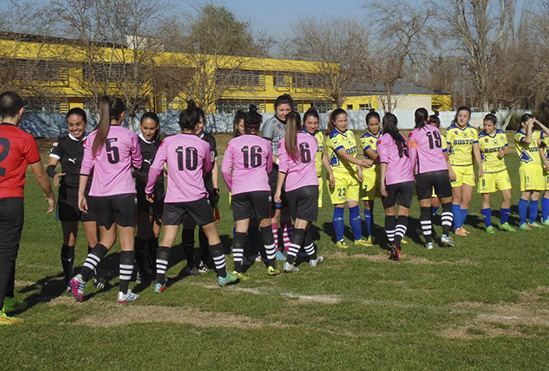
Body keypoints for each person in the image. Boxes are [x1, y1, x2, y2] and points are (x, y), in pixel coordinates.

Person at [146, 102, 237, 292]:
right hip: (196, 196)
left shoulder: (168, 142)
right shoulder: (203, 144)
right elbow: (207, 169)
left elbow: (155, 167)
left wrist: (149, 189)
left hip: (173, 198)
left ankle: (160, 281)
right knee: (212, 234)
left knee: (167, 238)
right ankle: (222, 276)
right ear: (197, 126)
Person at [70, 96, 142, 303]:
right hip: (123, 194)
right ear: (122, 115)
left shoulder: (93, 136)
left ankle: (80, 276)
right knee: (127, 243)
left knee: (107, 240)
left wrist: (81, 194)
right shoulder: (129, 135)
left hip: (98, 195)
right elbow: (137, 162)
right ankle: (124, 292)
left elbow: (86, 167)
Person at [0, 91, 56, 325]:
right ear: (21, 111)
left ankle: (10, 297)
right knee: (6, 254)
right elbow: (40, 173)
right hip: (11, 200)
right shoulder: (24, 138)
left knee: (7, 252)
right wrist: (50, 195)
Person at [221, 104, 280, 279]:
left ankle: (237, 269)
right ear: (258, 126)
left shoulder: (232, 143)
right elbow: (269, 167)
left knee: (241, 229)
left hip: (240, 189)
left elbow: (225, 170)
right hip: (261, 188)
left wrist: (233, 186)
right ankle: (271, 265)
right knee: (265, 224)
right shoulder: (265, 143)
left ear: (244, 126)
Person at [47, 108, 102, 292]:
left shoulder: (94, 141)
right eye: (71, 125)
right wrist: (54, 174)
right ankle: (68, 279)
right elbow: (50, 166)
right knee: (69, 239)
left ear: (85, 123)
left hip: (90, 194)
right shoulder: (61, 143)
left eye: (78, 124)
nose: (75, 128)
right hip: (69, 196)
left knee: (93, 239)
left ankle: (95, 276)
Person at [275, 111, 324, 273]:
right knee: (301, 225)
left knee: (304, 224)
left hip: (291, 188)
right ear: (301, 124)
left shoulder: (284, 142)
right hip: (309, 186)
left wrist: (278, 190)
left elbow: (283, 167)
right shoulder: (312, 139)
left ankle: (313, 258)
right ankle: (289, 262)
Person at [408, 108, 455, 249]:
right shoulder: (436, 131)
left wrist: (411, 173)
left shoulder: (413, 134)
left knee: (425, 208)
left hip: (424, 173)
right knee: (447, 204)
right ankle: (446, 234)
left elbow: (412, 156)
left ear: (415, 119)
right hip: (441, 170)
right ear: (428, 118)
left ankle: (428, 242)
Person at [325, 108, 372, 248]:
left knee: (354, 207)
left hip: (352, 176)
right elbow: (344, 155)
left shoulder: (350, 134)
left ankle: (358, 237)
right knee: (340, 207)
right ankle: (339, 239)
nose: (343, 123)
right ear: (334, 121)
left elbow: (354, 153)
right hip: (339, 176)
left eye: (345, 120)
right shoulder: (333, 137)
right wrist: (361, 163)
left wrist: (359, 170)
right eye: (340, 121)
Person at [181, 104, 217, 276]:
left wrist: (215, 185)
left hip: (206, 186)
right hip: (188, 189)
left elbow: (213, 165)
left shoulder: (209, 140)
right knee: (189, 225)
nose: (198, 126)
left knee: (206, 225)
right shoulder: (180, 140)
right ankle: (190, 262)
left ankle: (205, 259)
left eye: (201, 122)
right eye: (196, 122)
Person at [378, 113, 414, 261]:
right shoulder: (403, 138)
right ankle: (397, 243)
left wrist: (382, 181)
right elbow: (411, 157)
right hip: (407, 179)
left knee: (390, 214)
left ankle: (393, 244)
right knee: (404, 214)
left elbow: (384, 160)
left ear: (382, 125)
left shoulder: (383, 139)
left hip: (392, 179)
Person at [262, 94, 294, 259]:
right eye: (281, 110)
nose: (284, 113)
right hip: (275, 172)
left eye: (288, 109)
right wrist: (280, 161)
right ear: (275, 110)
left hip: (290, 171)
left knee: (288, 209)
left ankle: (288, 245)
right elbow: (266, 150)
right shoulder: (270, 125)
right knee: (276, 210)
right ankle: (274, 248)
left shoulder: (292, 123)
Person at [133, 112, 164, 281]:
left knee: (156, 232)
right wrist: (149, 183)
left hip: (160, 193)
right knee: (144, 230)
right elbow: (134, 170)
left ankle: (152, 266)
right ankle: (141, 269)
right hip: (143, 192)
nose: (148, 131)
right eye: (145, 128)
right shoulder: (136, 144)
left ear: (157, 127)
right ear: (140, 127)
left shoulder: (160, 144)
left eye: (152, 128)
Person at [445, 106, 483, 236]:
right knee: (457, 198)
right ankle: (457, 228)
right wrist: (449, 169)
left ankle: (458, 225)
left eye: (465, 116)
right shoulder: (451, 131)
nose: (462, 118)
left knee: (467, 199)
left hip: (469, 168)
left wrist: (480, 167)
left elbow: (476, 150)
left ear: (469, 118)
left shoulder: (473, 131)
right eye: (460, 115)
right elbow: (445, 152)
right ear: (456, 116)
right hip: (455, 167)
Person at [477, 112, 515, 232]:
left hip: (501, 171)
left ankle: (503, 223)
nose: (486, 128)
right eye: (485, 125)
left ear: (494, 126)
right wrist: (479, 168)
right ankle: (488, 225)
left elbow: (507, 149)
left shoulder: (501, 134)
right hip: (487, 172)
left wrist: (504, 153)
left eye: (489, 125)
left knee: (508, 197)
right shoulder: (480, 138)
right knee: (486, 199)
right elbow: (476, 154)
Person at [514, 114, 549, 229]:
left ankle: (532, 221)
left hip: (538, 167)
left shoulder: (537, 133)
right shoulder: (518, 135)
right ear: (523, 124)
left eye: (533, 123)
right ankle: (522, 222)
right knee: (526, 194)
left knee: (537, 194)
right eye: (529, 123)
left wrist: (538, 123)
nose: (532, 125)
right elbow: (528, 141)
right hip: (527, 167)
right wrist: (529, 127)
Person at [302, 106, 334, 209]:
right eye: (309, 123)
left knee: (314, 210)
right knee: (305, 210)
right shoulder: (301, 136)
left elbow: (323, 155)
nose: (312, 126)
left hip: (318, 178)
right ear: (304, 122)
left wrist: (330, 172)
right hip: (305, 179)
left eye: (315, 123)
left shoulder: (319, 134)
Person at [359, 109, 382, 245]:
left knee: (388, 203)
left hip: (384, 173)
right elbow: (373, 155)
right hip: (369, 174)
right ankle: (370, 234)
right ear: (367, 124)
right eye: (371, 124)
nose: (374, 127)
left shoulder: (385, 136)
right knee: (368, 204)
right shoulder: (364, 139)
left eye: (376, 124)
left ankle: (394, 232)